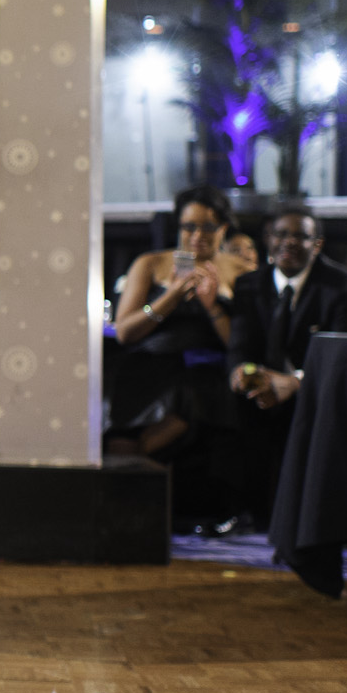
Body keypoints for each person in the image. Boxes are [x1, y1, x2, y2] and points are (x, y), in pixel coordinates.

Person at [230, 209, 347, 595]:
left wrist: (296, 383)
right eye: (281, 235)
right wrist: (242, 371)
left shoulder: (342, 284)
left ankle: (307, 539)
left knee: (310, 418)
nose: (290, 242)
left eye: (301, 236)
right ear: (268, 242)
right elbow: (239, 346)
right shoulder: (248, 284)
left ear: (316, 244)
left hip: (323, 392)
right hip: (264, 387)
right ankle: (251, 518)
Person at [107, 186, 250, 525]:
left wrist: (213, 304)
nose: (197, 236)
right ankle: (132, 503)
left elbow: (241, 343)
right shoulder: (151, 263)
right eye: (189, 227)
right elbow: (125, 331)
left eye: (208, 227)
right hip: (149, 363)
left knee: (194, 395)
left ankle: (166, 496)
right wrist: (170, 296)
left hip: (209, 368)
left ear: (223, 230)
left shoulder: (240, 271)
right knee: (124, 403)